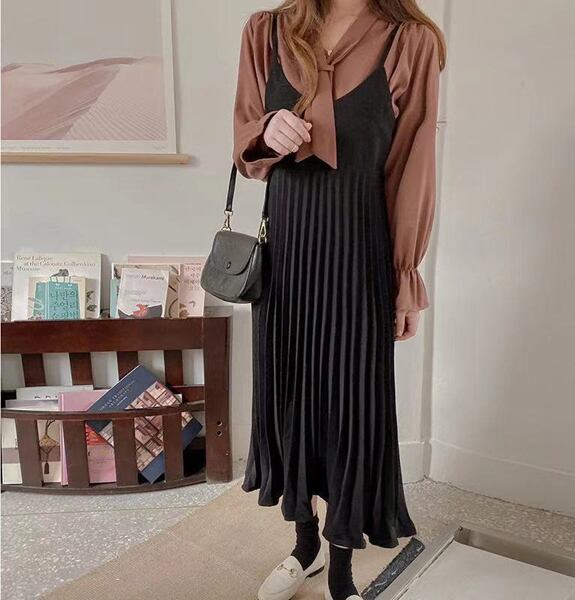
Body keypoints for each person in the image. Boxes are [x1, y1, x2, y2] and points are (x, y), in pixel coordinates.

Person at [233, 1, 445, 598]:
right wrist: (265, 131)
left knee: (353, 406)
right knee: (290, 396)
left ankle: (342, 568)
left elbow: (412, 166)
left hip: (360, 251)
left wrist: (405, 277)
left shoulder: (411, 41)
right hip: (287, 251)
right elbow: (244, 134)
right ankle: (304, 548)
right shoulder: (266, 30)